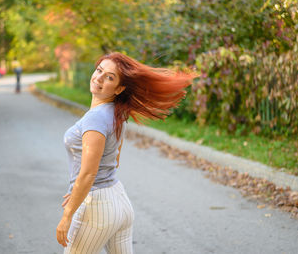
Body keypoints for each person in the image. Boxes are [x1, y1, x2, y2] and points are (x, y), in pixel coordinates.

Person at [56, 52, 195, 253]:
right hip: (119, 201)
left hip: (96, 207)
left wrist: (68, 214)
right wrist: (80, 189)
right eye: (99, 70)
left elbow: (88, 174)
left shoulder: (94, 118)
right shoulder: (116, 114)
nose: (99, 78)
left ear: (120, 88)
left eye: (109, 77)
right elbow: (115, 159)